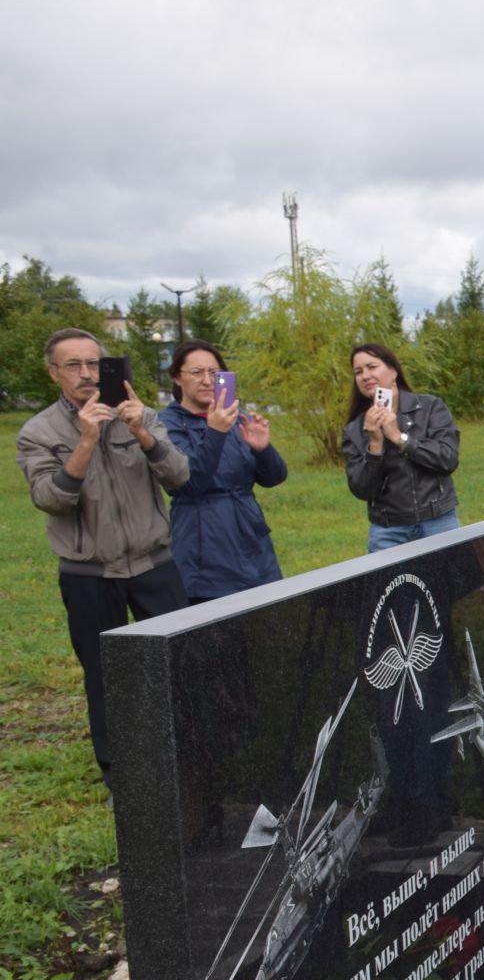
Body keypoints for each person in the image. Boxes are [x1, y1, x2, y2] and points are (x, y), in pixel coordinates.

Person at [15, 328, 191, 794]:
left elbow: (179, 474)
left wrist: (140, 433)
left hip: (154, 564)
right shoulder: (38, 432)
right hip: (89, 573)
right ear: (53, 373)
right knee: (105, 675)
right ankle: (122, 776)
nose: (87, 374)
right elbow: (51, 499)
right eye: (73, 365)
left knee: (181, 662)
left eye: (94, 363)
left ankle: (191, 758)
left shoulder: (141, 414)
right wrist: (86, 440)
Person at [158, 339, 288, 601]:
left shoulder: (235, 416)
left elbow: (275, 477)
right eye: (196, 373)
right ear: (177, 378)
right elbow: (190, 483)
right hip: (203, 543)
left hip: (250, 539)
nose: (207, 380)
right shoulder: (166, 424)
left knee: (264, 621)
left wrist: (263, 449)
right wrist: (215, 431)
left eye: (214, 373)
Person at [341, 343, 461, 551]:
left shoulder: (430, 407)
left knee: (451, 582)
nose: (365, 375)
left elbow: (447, 459)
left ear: (393, 370)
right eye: (358, 372)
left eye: (372, 367)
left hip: (438, 521)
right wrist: (375, 445)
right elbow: (362, 490)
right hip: (388, 531)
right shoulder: (354, 429)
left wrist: (399, 438)